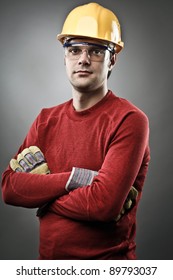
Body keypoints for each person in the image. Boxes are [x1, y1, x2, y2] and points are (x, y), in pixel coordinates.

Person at [1, 2, 150, 260]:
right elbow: (9, 188)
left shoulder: (129, 120)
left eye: (95, 51)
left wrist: (43, 195)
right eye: (75, 49)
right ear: (65, 56)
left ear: (112, 58)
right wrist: (76, 179)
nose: (83, 59)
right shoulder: (45, 120)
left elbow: (103, 205)